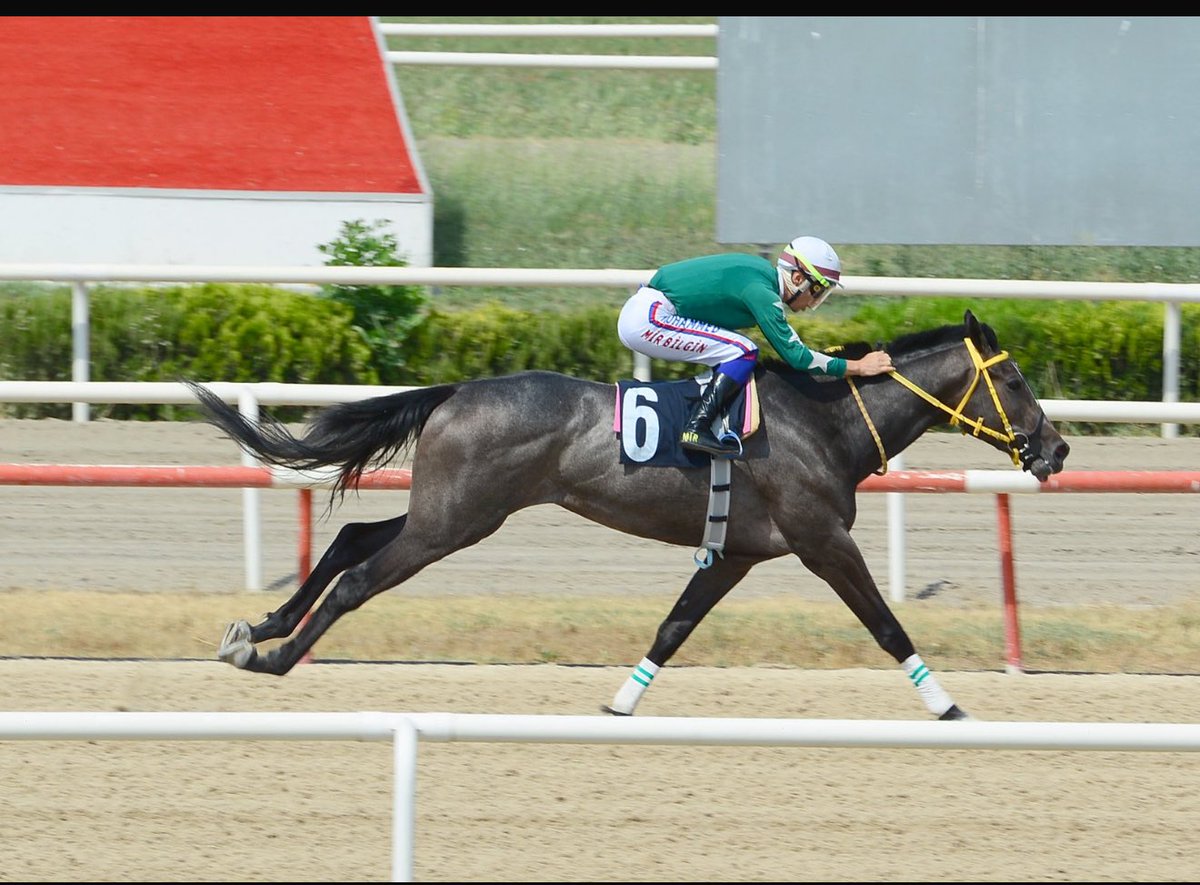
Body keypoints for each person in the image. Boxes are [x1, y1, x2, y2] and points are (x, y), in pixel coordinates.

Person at [617, 236, 895, 457]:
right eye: (818, 290)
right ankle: (696, 426)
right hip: (650, 317)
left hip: (650, 312)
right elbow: (796, 357)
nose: (814, 301)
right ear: (798, 278)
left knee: (735, 350)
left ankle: (705, 420)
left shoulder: (761, 276)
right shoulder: (763, 293)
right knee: (743, 350)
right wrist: (858, 366)